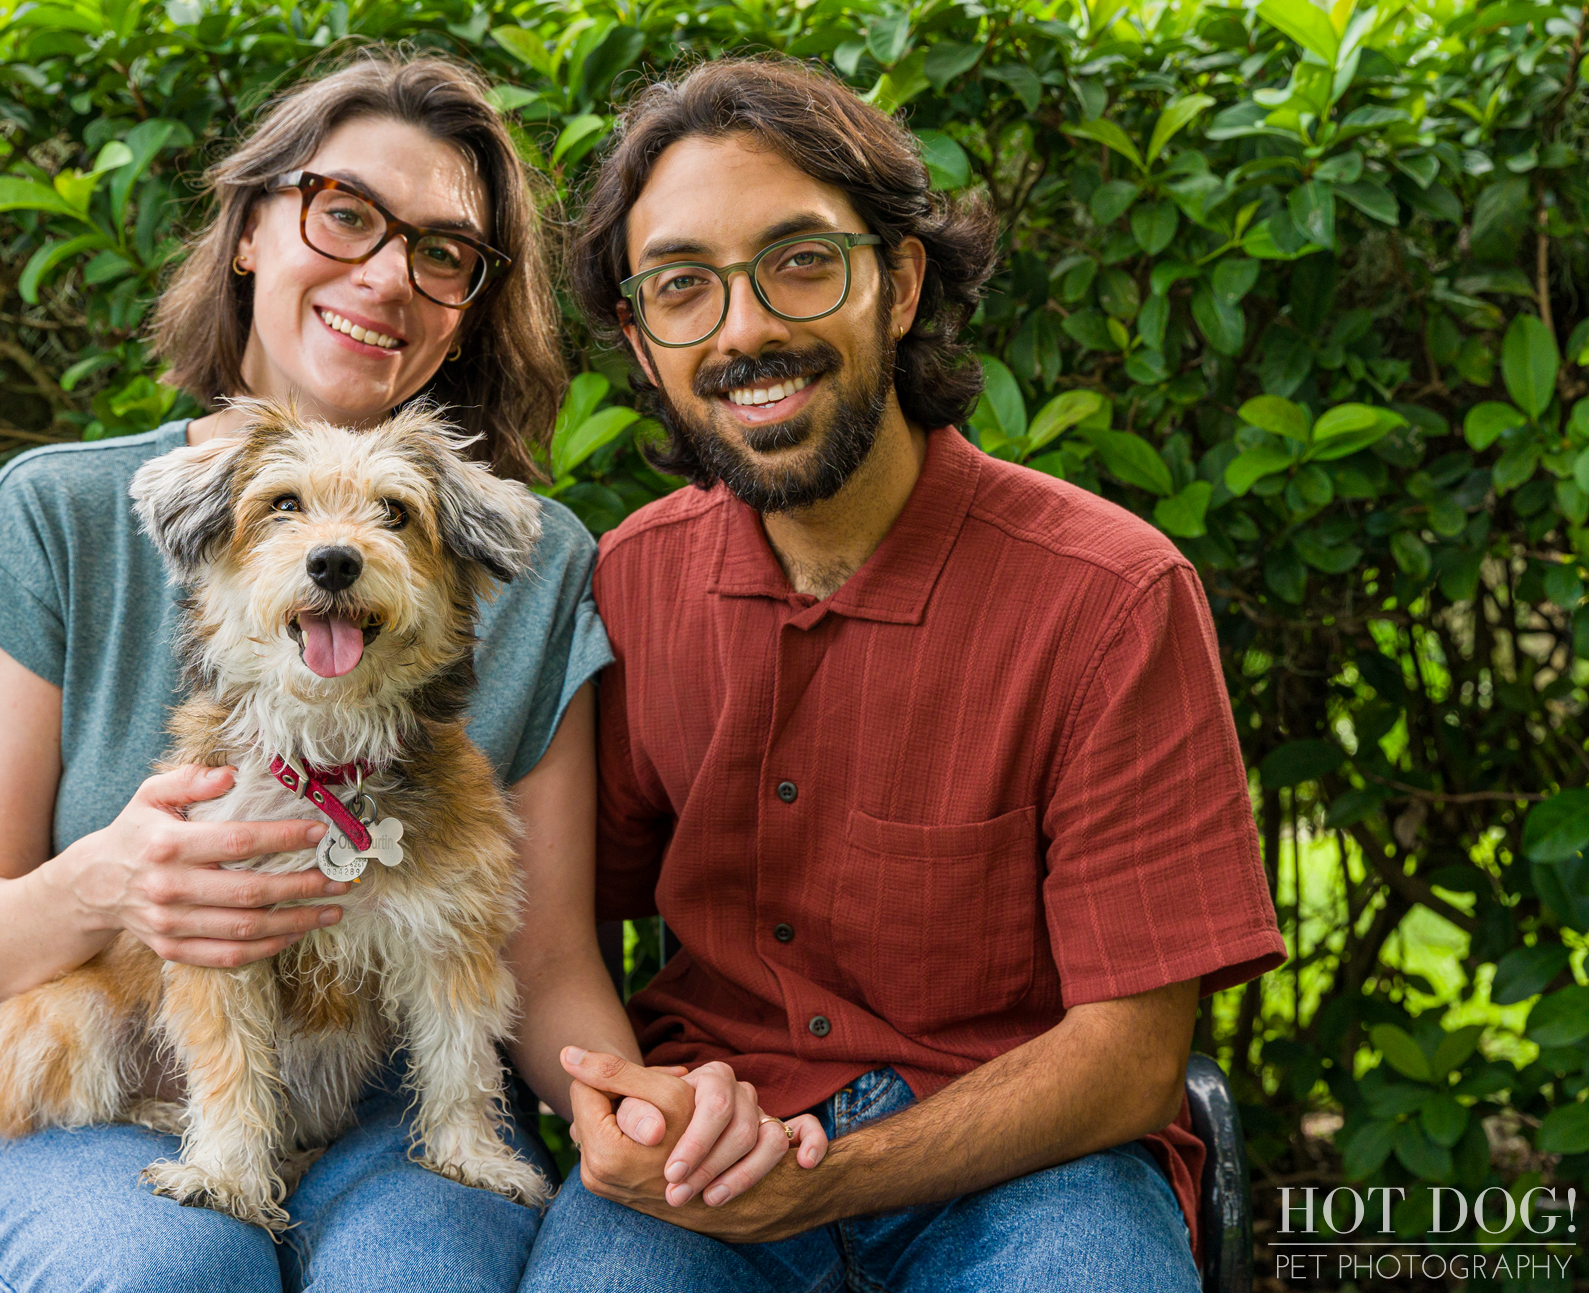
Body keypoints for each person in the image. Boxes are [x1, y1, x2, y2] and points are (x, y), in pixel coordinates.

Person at [0, 53, 693, 1293]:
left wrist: (634, 1104)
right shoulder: (58, 513)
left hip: (381, 1102)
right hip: (107, 1093)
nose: (387, 275)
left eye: (444, 252)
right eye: (344, 212)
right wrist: (116, 878)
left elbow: (538, 959)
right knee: (170, 1273)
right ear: (248, 230)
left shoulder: (531, 562)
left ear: (471, 303)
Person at [520, 57, 1287, 1292]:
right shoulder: (627, 587)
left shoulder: (1109, 598)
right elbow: (544, 937)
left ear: (900, 282)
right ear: (639, 339)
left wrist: (827, 1178)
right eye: (680, 288)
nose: (745, 328)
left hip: (1031, 1160)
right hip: (710, 1142)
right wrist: (620, 1103)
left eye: (801, 261)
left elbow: (1133, 1057)